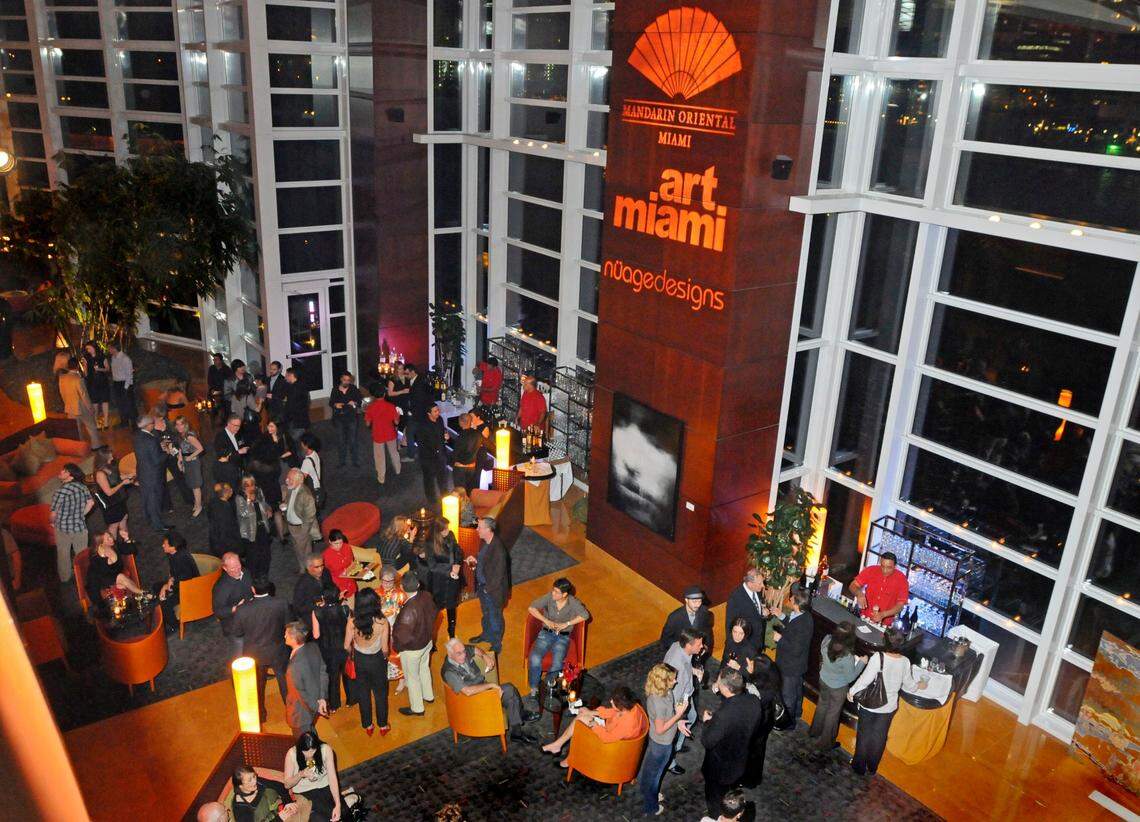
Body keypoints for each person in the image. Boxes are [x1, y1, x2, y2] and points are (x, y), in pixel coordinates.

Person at [847, 627, 924, 776]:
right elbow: (910, 686)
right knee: (879, 737)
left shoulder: (878, 657)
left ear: (885, 642)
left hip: (870, 703)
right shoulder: (905, 662)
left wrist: (852, 691)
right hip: (888, 706)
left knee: (864, 734)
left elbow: (865, 680)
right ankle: (872, 767)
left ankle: (859, 766)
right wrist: (919, 685)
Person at [440, 637, 538, 743]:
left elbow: (475, 649)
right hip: (472, 701)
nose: (463, 655)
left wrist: (484, 655)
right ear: (450, 654)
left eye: (463, 651)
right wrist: (490, 686)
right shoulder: (449, 672)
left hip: (483, 690)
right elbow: (467, 691)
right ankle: (519, 721)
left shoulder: (462, 650)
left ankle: (518, 721)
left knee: (510, 693)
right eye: (459, 653)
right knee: (509, 689)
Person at [700, 668, 761, 818]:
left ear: (727, 688)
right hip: (740, 761)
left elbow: (707, 741)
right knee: (729, 791)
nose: (717, 682)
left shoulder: (723, 716)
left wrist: (708, 723)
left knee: (714, 797)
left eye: (719, 681)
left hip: (719, 767)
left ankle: (716, 817)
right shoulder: (754, 701)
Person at [231, 577, 291, 718]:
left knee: (257, 685)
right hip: (278, 650)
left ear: (253, 590)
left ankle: (261, 714)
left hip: (254, 653)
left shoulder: (242, 610)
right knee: (284, 682)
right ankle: (291, 711)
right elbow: (289, 623)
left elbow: (237, 632)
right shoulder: (281, 603)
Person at [542, 684, 648, 764]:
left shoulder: (628, 723)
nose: (611, 701)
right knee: (582, 716)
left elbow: (608, 737)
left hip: (612, 746)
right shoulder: (629, 707)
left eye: (614, 702)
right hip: (609, 730)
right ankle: (558, 746)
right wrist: (592, 712)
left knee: (580, 726)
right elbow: (613, 712)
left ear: (622, 706)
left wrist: (594, 725)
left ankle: (568, 756)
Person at [638, 663, 692, 817]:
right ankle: (651, 807)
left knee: (650, 770)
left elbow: (667, 717)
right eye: (673, 679)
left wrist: (678, 722)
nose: (676, 682)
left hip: (657, 741)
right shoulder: (659, 701)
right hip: (661, 744)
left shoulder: (663, 692)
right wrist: (679, 715)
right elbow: (661, 728)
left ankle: (645, 789)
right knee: (655, 776)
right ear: (663, 681)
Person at [808, 622, 866, 755]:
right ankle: (825, 744)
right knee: (832, 714)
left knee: (822, 705)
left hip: (823, 679)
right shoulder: (847, 656)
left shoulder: (827, 640)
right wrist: (862, 663)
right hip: (838, 687)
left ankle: (814, 731)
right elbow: (851, 677)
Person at [525, 577, 590, 696]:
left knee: (557, 663)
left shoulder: (573, 602)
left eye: (556, 592)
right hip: (546, 633)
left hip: (563, 637)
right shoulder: (549, 597)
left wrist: (567, 624)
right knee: (534, 658)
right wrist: (546, 620)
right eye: (553, 590)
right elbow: (531, 608)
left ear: (564, 594)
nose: (553, 593)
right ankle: (534, 686)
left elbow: (585, 615)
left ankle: (547, 685)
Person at [344, 587, 390, 736]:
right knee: (381, 694)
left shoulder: (352, 621)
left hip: (360, 660)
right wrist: (385, 659)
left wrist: (352, 653)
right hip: (377, 660)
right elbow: (384, 648)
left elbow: (346, 645)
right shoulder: (382, 622)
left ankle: (367, 725)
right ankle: (383, 725)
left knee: (363, 693)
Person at [392, 572, 438, 717]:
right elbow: (436, 613)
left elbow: (402, 636)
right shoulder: (426, 596)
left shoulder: (408, 610)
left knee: (412, 678)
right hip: (427, 641)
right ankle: (428, 696)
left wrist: (397, 647)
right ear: (418, 585)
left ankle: (417, 708)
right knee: (424, 668)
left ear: (401, 587)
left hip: (412, 648)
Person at [308, 563, 352, 713]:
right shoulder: (345, 609)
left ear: (324, 598)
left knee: (332, 677)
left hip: (328, 649)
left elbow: (316, 635)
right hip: (344, 646)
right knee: (347, 673)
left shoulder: (317, 612)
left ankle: (334, 704)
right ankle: (352, 699)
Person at [663, 626, 705, 769]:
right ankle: (670, 761)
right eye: (699, 645)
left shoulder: (678, 646)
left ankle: (678, 745)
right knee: (680, 726)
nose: (702, 647)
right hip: (680, 700)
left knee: (692, 717)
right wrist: (680, 716)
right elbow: (675, 696)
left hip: (685, 693)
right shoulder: (677, 666)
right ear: (688, 645)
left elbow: (686, 666)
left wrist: (694, 671)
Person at [466, 516, 509, 654]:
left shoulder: (499, 550)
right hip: (483, 587)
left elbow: (498, 575)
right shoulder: (485, 541)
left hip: (492, 591)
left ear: (488, 529)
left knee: (495, 617)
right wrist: (476, 559)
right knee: (486, 614)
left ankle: (496, 644)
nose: (477, 529)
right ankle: (486, 635)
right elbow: (484, 559)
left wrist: (486, 590)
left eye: (479, 527)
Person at [772, 588, 814, 725]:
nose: (789, 599)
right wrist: (782, 616)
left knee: (788, 696)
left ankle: (788, 722)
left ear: (796, 604)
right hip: (798, 665)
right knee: (797, 691)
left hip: (790, 666)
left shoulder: (802, 624)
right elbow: (792, 627)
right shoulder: (803, 615)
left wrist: (780, 639)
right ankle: (797, 713)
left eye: (792, 599)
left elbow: (796, 648)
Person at [49, 463, 93, 583]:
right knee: (82, 553)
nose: (61, 472)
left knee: (63, 554)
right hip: (80, 526)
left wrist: (52, 523)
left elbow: (53, 513)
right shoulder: (82, 487)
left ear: (71, 476)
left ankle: (65, 578)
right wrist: (80, 514)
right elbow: (91, 503)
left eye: (65, 471)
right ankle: (85, 576)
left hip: (63, 528)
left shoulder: (60, 492)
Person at [282, 730, 340, 822]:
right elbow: (287, 785)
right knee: (325, 818)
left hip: (324, 785)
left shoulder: (325, 749)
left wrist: (338, 804)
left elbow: (332, 778)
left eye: (313, 750)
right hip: (304, 791)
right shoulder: (292, 754)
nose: (310, 755)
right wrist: (301, 774)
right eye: (306, 752)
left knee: (342, 812)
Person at [284, 620, 329, 737]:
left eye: (287, 634)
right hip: (316, 700)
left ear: (294, 639)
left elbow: (300, 692)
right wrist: (322, 698)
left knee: (303, 740)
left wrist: (316, 707)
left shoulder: (294, 667)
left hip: (301, 712)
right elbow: (322, 672)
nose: (284, 636)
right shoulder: (313, 647)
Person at [249, 420, 291, 539]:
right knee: (276, 509)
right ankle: (282, 536)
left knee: (265, 510)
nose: (269, 428)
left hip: (261, 485)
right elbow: (277, 468)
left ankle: (268, 534)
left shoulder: (255, 462)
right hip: (272, 485)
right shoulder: (272, 463)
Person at [741, 662, 780, 788]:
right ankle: (754, 779)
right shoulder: (771, 685)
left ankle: (749, 779)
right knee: (758, 751)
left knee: (752, 752)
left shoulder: (758, 691)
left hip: (758, 722)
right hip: (766, 720)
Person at [85, 530, 145, 612]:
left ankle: (141, 595)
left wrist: (126, 538)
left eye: (110, 536)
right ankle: (143, 594)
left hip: (115, 576)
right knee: (121, 577)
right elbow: (101, 576)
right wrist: (104, 558)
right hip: (103, 580)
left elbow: (133, 550)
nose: (111, 539)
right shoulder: (95, 557)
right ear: (101, 543)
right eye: (107, 539)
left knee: (121, 580)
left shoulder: (114, 545)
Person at [423, 518, 462, 638]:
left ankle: (452, 634)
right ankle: (432, 638)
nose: (448, 530)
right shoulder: (429, 543)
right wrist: (449, 570)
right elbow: (432, 566)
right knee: (434, 612)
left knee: (451, 606)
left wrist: (457, 564)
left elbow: (458, 550)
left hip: (451, 581)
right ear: (438, 531)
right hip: (437, 582)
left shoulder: (450, 535)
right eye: (445, 529)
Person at [154, 529, 200, 632]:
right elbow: (174, 572)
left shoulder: (181, 558)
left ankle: (175, 626)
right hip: (179, 584)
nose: (162, 546)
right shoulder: (172, 554)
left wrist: (167, 586)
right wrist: (170, 579)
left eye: (165, 544)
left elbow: (186, 579)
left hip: (188, 588)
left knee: (165, 604)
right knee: (156, 586)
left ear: (173, 547)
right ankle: (164, 605)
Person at [659, 585, 714, 671]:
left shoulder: (704, 612)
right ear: (686, 600)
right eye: (694, 601)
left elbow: (708, 631)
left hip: (697, 656)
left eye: (699, 601)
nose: (698, 605)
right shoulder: (675, 618)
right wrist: (681, 649)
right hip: (681, 657)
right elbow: (665, 640)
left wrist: (706, 646)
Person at [849, 551, 910, 627]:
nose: (885, 570)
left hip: (884, 624)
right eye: (882, 566)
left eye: (889, 568)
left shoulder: (902, 580)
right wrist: (859, 594)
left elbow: (900, 606)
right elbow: (853, 585)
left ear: (895, 566)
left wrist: (883, 614)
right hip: (863, 617)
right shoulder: (871, 570)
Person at [213, 552, 255, 658]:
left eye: (238, 565)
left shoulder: (246, 572)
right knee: (239, 655)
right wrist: (235, 609)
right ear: (225, 568)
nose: (237, 570)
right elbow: (218, 611)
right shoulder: (221, 587)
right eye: (232, 568)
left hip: (251, 619)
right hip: (234, 626)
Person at [376, 565, 409, 694]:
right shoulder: (375, 593)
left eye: (390, 581)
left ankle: (402, 678)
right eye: (384, 581)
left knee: (397, 653)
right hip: (380, 629)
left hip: (396, 629)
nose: (387, 584)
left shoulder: (400, 594)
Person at [131, 415, 167, 531]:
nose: (153, 425)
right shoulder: (150, 440)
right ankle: (158, 525)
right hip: (153, 475)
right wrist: (167, 452)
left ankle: (150, 519)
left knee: (147, 498)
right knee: (154, 500)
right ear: (148, 425)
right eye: (152, 423)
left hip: (143, 472)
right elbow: (157, 460)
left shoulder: (137, 436)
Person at [226, 765, 298, 821]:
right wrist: (280, 818)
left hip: (280, 810)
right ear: (240, 786)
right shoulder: (240, 808)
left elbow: (280, 786)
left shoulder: (257, 782)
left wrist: (288, 803)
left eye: (254, 776)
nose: (254, 781)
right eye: (249, 780)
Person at [235, 475, 273, 580]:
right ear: (243, 486)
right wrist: (248, 501)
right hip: (250, 530)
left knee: (266, 553)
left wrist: (269, 509)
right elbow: (243, 513)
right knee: (253, 555)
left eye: (252, 484)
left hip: (262, 526)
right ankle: (253, 576)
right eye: (247, 485)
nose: (251, 487)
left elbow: (264, 504)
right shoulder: (240, 497)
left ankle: (264, 574)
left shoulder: (258, 491)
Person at [91, 448, 132, 544]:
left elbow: (116, 477)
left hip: (119, 499)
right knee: (114, 525)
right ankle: (113, 546)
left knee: (124, 518)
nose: (112, 457)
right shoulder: (100, 473)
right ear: (103, 459)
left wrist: (127, 476)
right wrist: (122, 483)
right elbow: (108, 492)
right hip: (111, 503)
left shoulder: (109, 466)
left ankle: (127, 542)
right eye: (110, 456)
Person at [364, 381, 401, 485]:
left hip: (378, 434)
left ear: (373, 395)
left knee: (379, 457)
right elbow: (396, 422)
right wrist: (397, 415)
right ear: (384, 394)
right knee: (394, 452)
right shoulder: (391, 406)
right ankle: (398, 470)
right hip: (391, 433)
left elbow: (367, 424)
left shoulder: (370, 408)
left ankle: (381, 477)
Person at [283, 468, 319, 570]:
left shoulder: (306, 495)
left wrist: (303, 534)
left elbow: (309, 517)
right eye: (287, 478)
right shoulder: (291, 488)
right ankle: (302, 569)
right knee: (297, 550)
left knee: (305, 552)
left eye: (290, 479)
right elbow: (288, 501)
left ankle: (308, 571)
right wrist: (284, 505)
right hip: (292, 527)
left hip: (301, 529)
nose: (287, 481)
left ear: (299, 481)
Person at [725, 567, 769, 645]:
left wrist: (763, 613)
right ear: (750, 583)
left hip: (758, 641)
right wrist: (733, 646)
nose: (763, 586)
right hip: (745, 644)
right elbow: (729, 623)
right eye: (760, 583)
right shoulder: (735, 598)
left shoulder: (757, 591)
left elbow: (757, 612)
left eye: (762, 582)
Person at [294, 553, 341, 625]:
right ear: (309, 568)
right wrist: (317, 605)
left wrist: (337, 594)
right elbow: (299, 608)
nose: (320, 569)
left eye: (322, 565)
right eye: (317, 567)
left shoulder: (325, 572)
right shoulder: (302, 585)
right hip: (314, 616)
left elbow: (331, 586)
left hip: (329, 610)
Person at [329, 371, 363, 468]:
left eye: (348, 380)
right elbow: (331, 402)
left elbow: (360, 402)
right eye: (345, 380)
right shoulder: (335, 390)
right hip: (339, 418)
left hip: (351, 418)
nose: (346, 382)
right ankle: (342, 461)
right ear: (341, 379)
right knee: (341, 440)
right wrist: (335, 404)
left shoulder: (353, 389)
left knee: (353, 440)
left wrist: (355, 403)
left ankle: (355, 461)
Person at [173, 416, 206, 517]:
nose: (179, 426)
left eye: (181, 424)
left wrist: (190, 457)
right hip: (186, 461)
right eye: (177, 424)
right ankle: (197, 503)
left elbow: (201, 448)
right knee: (192, 484)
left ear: (185, 424)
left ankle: (199, 506)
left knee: (196, 486)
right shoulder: (180, 435)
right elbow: (180, 449)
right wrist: (179, 460)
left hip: (193, 462)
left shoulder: (189, 436)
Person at [417, 404, 450, 503]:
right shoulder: (423, 426)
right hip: (428, 457)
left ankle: (444, 495)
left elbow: (443, 430)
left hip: (440, 454)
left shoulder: (439, 419)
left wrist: (446, 437)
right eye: (435, 411)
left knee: (442, 476)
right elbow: (422, 443)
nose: (438, 413)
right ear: (429, 413)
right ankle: (431, 499)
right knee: (429, 479)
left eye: (438, 410)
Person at [405, 364, 435, 460]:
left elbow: (419, 400)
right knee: (418, 434)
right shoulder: (420, 380)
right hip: (421, 414)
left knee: (410, 433)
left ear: (413, 372)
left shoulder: (418, 384)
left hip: (417, 414)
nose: (406, 375)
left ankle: (411, 455)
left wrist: (411, 412)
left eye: (407, 373)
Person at [722, 617, 764, 684]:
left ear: (746, 634)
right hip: (727, 676)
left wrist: (738, 667)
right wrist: (719, 679)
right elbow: (724, 660)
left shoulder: (751, 650)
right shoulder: (729, 641)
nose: (737, 636)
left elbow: (751, 677)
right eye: (734, 632)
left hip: (741, 683)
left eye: (741, 633)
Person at [449, 413, 481, 494]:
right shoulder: (478, 434)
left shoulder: (461, 437)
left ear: (461, 422)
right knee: (469, 491)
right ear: (470, 422)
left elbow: (456, 453)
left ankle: (463, 506)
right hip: (472, 468)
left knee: (460, 493)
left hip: (460, 469)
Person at [322, 529, 358, 601]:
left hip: (350, 581)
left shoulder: (347, 547)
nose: (339, 546)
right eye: (336, 543)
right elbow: (325, 574)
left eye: (341, 543)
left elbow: (352, 563)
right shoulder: (326, 555)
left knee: (351, 607)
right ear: (330, 541)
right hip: (337, 585)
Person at [214, 414, 249, 489]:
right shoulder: (220, 437)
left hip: (238, 470)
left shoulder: (237, 434)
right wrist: (239, 452)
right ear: (228, 424)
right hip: (228, 472)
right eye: (235, 425)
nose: (237, 428)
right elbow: (222, 454)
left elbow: (239, 446)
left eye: (239, 426)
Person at [208, 482, 241, 558]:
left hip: (215, 539)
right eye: (230, 489)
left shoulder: (213, 502)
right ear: (226, 493)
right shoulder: (225, 510)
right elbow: (226, 531)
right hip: (226, 545)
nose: (232, 490)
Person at [107, 341, 136, 429]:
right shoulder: (113, 357)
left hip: (125, 383)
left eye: (110, 348)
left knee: (129, 404)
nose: (109, 350)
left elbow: (129, 375)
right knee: (120, 404)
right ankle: (124, 422)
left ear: (114, 348)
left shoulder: (125, 359)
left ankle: (134, 424)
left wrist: (126, 387)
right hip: (117, 383)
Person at [282, 367, 311, 443]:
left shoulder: (294, 389)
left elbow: (291, 406)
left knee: (297, 444)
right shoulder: (300, 386)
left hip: (297, 422)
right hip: (300, 421)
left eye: (286, 375)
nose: (285, 378)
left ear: (291, 375)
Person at [207, 352, 233, 426]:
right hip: (214, 390)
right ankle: (213, 418)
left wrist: (221, 391)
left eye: (216, 359)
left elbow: (229, 383)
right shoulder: (211, 368)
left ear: (221, 360)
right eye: (214, 359)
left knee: (225, 404)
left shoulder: (227, 370)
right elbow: (209, 380)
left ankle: (224, 420)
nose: (215, 361)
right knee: (211, 402)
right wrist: (212, 389)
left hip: (224, 391)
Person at [298, 433, 323, 502]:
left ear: (306, 446)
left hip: (311, 490)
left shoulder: (306, 462)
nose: (301, 445)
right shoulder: (314, 453)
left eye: (302, 443)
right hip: (317, 484)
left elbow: (301, 479)